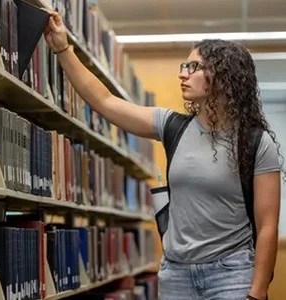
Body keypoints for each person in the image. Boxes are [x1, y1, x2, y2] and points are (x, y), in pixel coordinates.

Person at [44, 10, 282, 300]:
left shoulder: (256, 142)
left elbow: (268, 225)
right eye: (185, 65)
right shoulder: (172, 126)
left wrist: (257, 292)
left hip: (231, 275)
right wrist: (62, 48)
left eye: (194, 67)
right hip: (176, 276)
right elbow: (104, 102)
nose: (182, 73)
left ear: (222, 76)